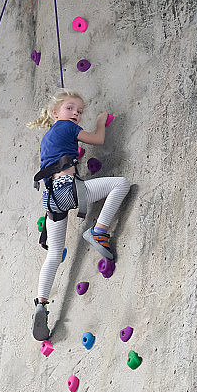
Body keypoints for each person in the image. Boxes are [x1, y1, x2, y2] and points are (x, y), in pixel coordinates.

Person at [27, 90, 130, 341]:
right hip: (68, 189)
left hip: (51, 199)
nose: (76, 113)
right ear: (55, 113)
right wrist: (100, 121)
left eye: (80, 111)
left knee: (54, 254)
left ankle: (41, 303)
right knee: (121, 184)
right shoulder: (67, 127)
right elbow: (98, 139)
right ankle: (99, 231)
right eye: (70, 108)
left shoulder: (47, 139)